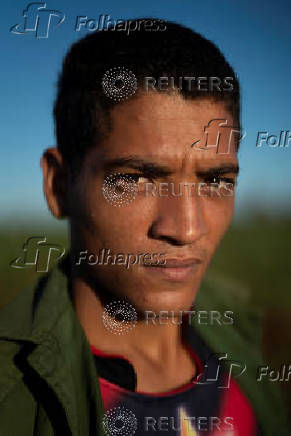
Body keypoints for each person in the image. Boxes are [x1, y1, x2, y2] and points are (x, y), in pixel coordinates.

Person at [0, 18, 288, 436]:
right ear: (60, 185)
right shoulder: (13, 402)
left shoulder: (239, 331)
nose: (187, 229)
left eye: (216, 182)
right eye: (136, 179)